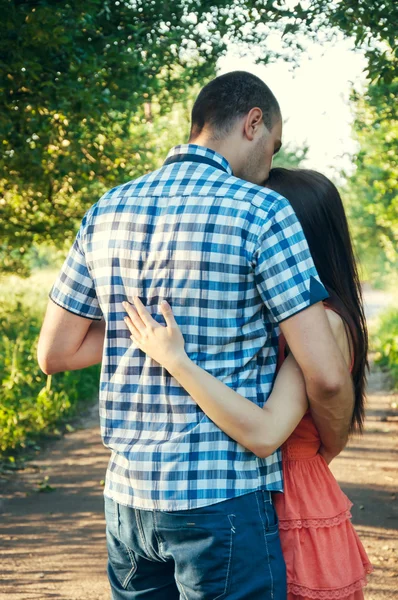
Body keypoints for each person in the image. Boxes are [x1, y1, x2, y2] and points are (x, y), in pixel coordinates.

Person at [37, 71, 354, 599]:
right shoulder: (263, 210)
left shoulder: (106, 208)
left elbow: (55, 351)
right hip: (222, 498)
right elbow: (323, 375)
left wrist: (146, 336)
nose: (269, 165)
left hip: (128, 499)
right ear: (254, 123)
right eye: (273, 147)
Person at [123, 168, 373, 599]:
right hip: (258, 488)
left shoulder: (324, 322)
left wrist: (176, 360)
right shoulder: (274, 317)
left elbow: (266, 433)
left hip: (291, 494)